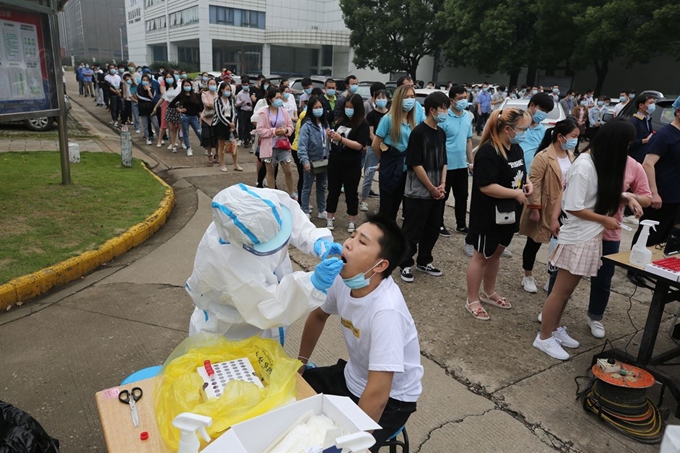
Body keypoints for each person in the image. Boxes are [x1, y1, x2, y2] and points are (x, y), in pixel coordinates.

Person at [298, 213, 422, 453]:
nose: (348, 243)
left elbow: (378, 393)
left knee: (338, 444)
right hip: (352, 377)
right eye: (352, 236)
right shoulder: (344, 279)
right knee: (290, 392)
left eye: (362, 242)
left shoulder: (387, 311)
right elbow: (318, 316)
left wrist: (352, 443)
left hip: (393, 401)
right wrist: (300, 362)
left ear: (380, 265)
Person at [534, 118, 641, 360]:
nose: (626, 149)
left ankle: (553, 330)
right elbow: (572, 206)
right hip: (578, 237)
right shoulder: (584, 165)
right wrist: (605, 220)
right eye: (625, 144)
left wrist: (627, 198)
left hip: (588, 235)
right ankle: (544, 337)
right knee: (560, 291)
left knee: (567, 291)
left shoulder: (596, 162)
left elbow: (603, 193)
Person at [187, 183, 343, 342]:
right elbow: (269, 306)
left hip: (257, 324)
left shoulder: (259, 202)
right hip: (233, 332)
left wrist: (314, 239)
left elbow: (288, 214)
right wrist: (312, 283)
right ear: (246, 243)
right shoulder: (225, 261)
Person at [464, 108, 533, 320]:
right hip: (489, 215)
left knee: (496, 254)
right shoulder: (488, 151)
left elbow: (521, 173)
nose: (525, 133)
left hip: (510, 214)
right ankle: (472, 299)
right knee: (481, 256)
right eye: (522, 129)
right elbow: (486, 186)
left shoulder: (515, 148)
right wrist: (515, 193)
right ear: (507, 129)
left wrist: (527, 184)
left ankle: (489, 290)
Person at [518, 119, 578, 294]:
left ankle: (553, 277)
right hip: (544, 206)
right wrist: (534, 209)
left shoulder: (571, 154)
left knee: (559, 243)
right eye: (573, 136)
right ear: (560, 136)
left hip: (564, 208)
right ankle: (527, 274)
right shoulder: (543, 156)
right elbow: (534, 184)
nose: (576, 140)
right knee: (534, 240)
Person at [628, 96, 680, 287]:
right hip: (661, 194)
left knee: (665, 234)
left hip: (676, 196)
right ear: (678, 111)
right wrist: (654, 192)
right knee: (649, 231)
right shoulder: (665, 135)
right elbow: (648, 164)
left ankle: (653, 264)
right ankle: (634, 268)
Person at [399, 92, 449, 283]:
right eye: (443, 109)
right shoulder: (418, 133)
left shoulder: (441, 133)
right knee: (413, 230)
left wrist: (442, 184)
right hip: (418, 192)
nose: (444, 112)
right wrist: (431, 187)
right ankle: (404, 263)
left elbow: (444, 161)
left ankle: (424, 260)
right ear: (432, 110)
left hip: (437, 191)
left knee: (432, 228)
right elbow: (415, 164)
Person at [372, 85, 418, 220]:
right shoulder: (388, 119)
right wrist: (385, 160)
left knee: (397, 204)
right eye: (406, 97)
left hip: (406, 169)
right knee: (386, 207)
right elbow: (376, 145)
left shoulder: (412, 120)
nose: (410, 100)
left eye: (412, 97)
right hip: (390, 167)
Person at [325, 94, 370, 233]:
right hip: (335, 161)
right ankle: (330, 217)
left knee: (351, 192)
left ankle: (352, 220)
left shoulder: (363, 124)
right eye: (346, 107)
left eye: (351, 107)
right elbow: (334, 141)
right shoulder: (340, 121)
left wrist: (341, 139)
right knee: (333, 190)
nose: (348, 109)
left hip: (352, 164)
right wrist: (330, 137)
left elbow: (359, 145)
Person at [439, 85, 474, 237]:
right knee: (443, 196)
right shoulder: (444, 117)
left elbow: (468, 140)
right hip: (446, 165)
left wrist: (471, 162)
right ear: (451, 100)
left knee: (462, 196)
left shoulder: (467, 116)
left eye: (465, 98)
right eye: (460, 98)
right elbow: (438, 142)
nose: (463, 101)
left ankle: (461, 224)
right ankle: (438, 223)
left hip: (461, 164)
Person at [256, 88, 295, 196]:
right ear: (270, 99)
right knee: (270, 171)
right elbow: (260, 130)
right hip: (269, 146)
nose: (279, 100)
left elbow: (290, 126)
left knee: (288, 171)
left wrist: (286, 130)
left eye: (280, 97)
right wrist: (274, 131)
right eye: (277, 98)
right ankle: (272, 194)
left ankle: (292, 193)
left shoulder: (284, 111)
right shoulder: (264, 112)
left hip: (283, 145)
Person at [297, 96, 330, 219]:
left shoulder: (325, 124)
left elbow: (327, 143)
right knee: (307, 187)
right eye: (316, 107)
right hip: (311, 161)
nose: (318, 110)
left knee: (322, 186)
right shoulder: (307, 125)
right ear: (310, 109)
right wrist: (305, 161)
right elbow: (302, 146)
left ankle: (322, 210)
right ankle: (304, 210)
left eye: (320, 107)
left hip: (323, 160)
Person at [360, 88, 388, 212]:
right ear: (374, 99)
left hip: (388, 149)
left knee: (385, 177)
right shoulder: (371, 115)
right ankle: (363, 200)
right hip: (373, 147)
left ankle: (383, 203)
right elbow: (371, 133)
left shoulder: (390, 113)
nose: (381, 100)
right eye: (379, 97)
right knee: (368, 175)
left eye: (384, 97)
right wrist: (379, 143)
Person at [521, 92, 554, 171]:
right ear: (532, 105)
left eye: (546, 112)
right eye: (542, 110)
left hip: (530, 176)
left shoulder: (542, 130)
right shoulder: (517, 124)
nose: (544, 114)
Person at [170, 79, 202, 157]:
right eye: (185, 85)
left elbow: (199, 107)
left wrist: (200, 116)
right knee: (186, 133)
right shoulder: (181, 95)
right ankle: (188, 148)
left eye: (188, 85)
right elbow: (171, 104)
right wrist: (179, 109)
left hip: (194, 117)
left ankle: (206, 147)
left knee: (199, 132)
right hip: (185, 116)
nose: (187, 87)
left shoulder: (195, 95)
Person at [214, 82, 242, 172]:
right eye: (227, 89)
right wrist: (228, 123)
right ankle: (222, 164)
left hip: (231, 122)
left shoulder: (231, 100)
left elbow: (233, 112)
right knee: (221, 145)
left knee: (233, 143)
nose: (228, 91)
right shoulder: (217, 100)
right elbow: (219, 114)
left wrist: (232, 122)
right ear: (222, 90)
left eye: (229, 90)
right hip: (220, 123)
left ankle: (236, 164)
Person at [627, 94, 656, 163]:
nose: (653, 105)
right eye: (650, 103)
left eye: (653, 103)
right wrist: (644, 141)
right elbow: (629, 142)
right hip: (634, 158)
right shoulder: (634, 121)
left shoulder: (647, 119)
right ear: (641, 105)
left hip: (644, 157)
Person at [135, 74, 160, 146]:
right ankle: (147, 138)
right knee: (145, 125)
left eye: (146, 80)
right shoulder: (139, 89)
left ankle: (159, 137)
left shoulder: (152, 89)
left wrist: (149, 90)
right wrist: (149, 99)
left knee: (156, 124)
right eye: (144, 80)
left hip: (151, 108)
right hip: (143, 109)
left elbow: (152, 97)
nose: (145, 82)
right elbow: (140, 97)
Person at [201, 78, 219, 165]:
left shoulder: (218, 94)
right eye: (211, 84)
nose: (213, 86)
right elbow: (207, 104)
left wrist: (214, 105)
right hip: (207, 119)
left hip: (216, 119)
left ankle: (218, 155)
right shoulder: (204, 94)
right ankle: (209, 155)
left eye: (214, 84)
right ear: (208, 85)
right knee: (207, 139)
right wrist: (215, 105)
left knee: (216, 139)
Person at [235, 76, 254, 148]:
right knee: (244, 126)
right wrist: (241, 102)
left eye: (246, 85)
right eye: (244, 85)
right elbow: (236, 104)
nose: (245, 86)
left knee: (251, 126)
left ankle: (250, 140)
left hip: (251, 111)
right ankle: (245, 140)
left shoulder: (251, 92)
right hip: (243, 111)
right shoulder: (240, 93)